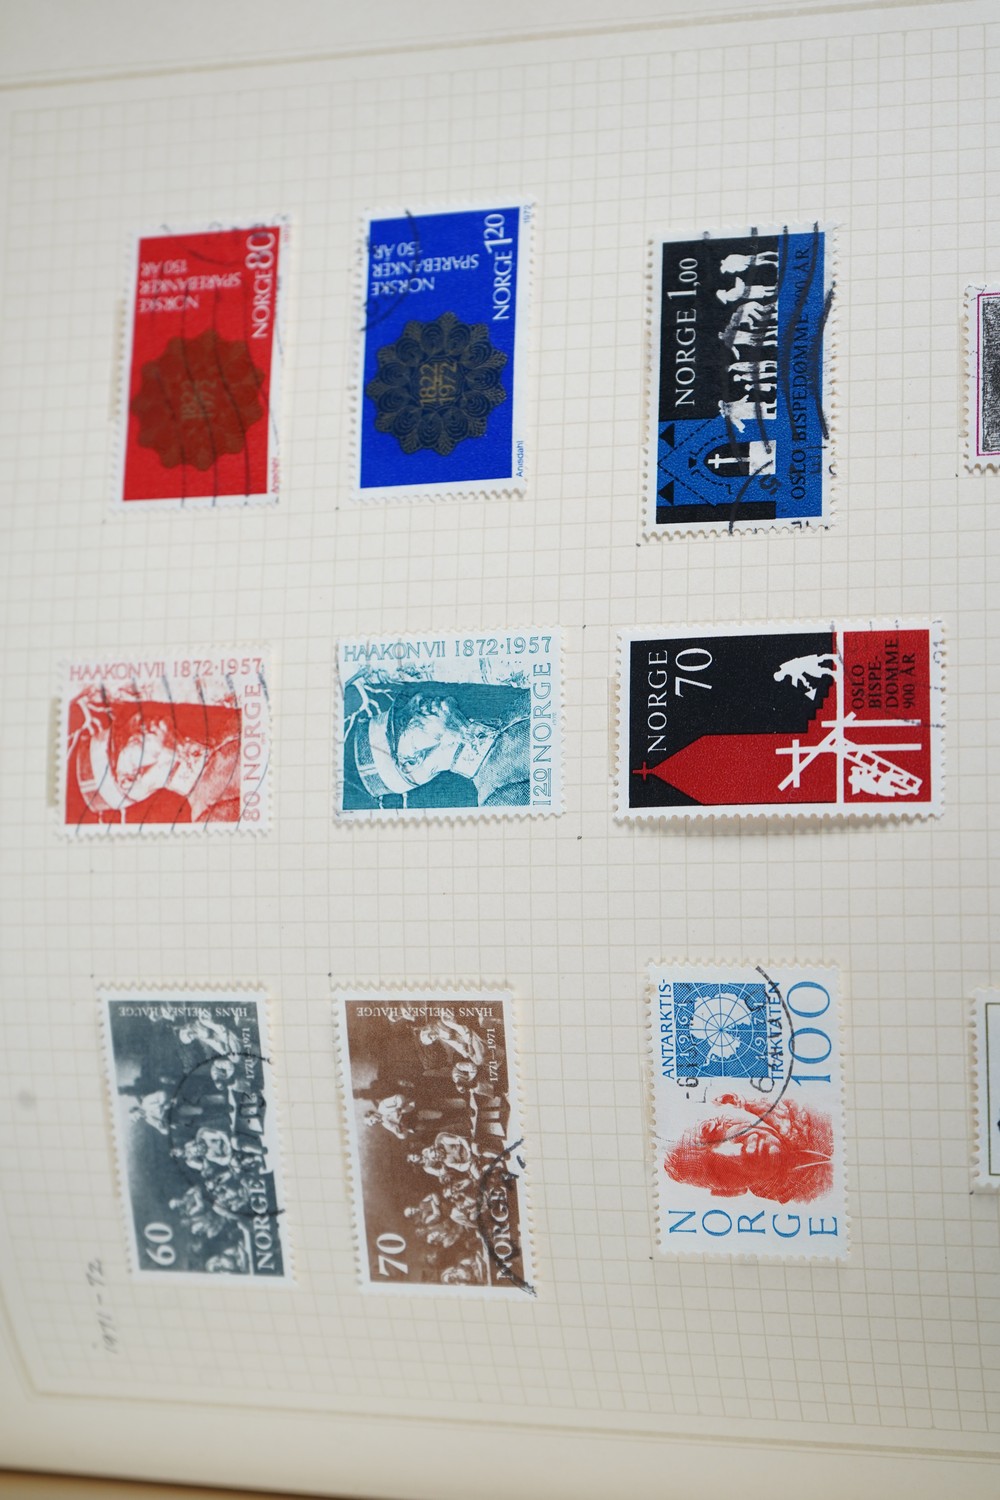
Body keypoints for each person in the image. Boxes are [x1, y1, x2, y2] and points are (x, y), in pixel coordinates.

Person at [67, 688, 241, 824]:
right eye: (123, 737)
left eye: (124, 725)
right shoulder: (212, 817)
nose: (136, 719)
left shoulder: (225, 726)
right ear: (129, 780)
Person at [345, 683, 530, 808]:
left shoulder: (513, 709)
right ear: (409, 763)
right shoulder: (499, 799)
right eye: (403, 719)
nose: (416, 699)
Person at [662, 1095, 834, 1204]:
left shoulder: (819, 1114)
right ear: (731, 1192)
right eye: (718, 1171)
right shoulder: (807, 1198)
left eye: (711, 1130)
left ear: (731, 1102)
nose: (736, 1152)